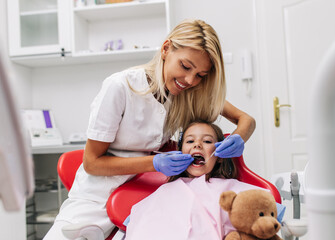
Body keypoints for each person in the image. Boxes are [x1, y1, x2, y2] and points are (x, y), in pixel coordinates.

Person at [44, 19, 256, 239]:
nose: (190, 80)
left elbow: (246, 120)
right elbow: (91, 163)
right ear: (166, 49)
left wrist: (239, 137)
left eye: (201, 75)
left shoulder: (190, 91)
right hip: (98, 196)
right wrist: (154, 163)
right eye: (185, 66)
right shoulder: (120, 87)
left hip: (148, 193)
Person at [125, 120, 273, 239]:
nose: (197, 144)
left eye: (207, 141)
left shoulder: (228, 188)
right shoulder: (165, 190)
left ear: (220, 156)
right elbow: (141, 223)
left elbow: (265, 209)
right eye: (190, 141)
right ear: (180, 152)